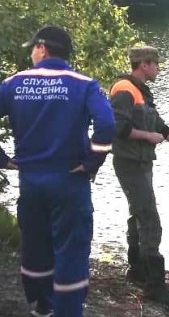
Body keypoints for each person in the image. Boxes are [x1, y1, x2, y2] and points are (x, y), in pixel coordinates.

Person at [0, 25, 115, 317]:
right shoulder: (84, 84)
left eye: (33, 48)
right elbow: (107, 125)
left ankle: (42, 305)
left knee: (36, 243)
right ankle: (68, 310)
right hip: (69, 179)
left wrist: (2, 160)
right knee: (70, 247)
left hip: (31, 181)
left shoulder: (14, 83)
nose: (32, 54)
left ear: (42, 48)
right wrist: (91, 162)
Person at [110, 46, 169, 307]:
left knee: (138, 214)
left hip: (142, 164)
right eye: (156, 64)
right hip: (130, 164)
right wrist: (147, 137)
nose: (159, 69)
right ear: (144, 64)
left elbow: (160, 128)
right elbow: (118, 128)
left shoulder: (142, 92)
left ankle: (137, 269)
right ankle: (155, 287)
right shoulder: (123, 89)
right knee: (150, 220)